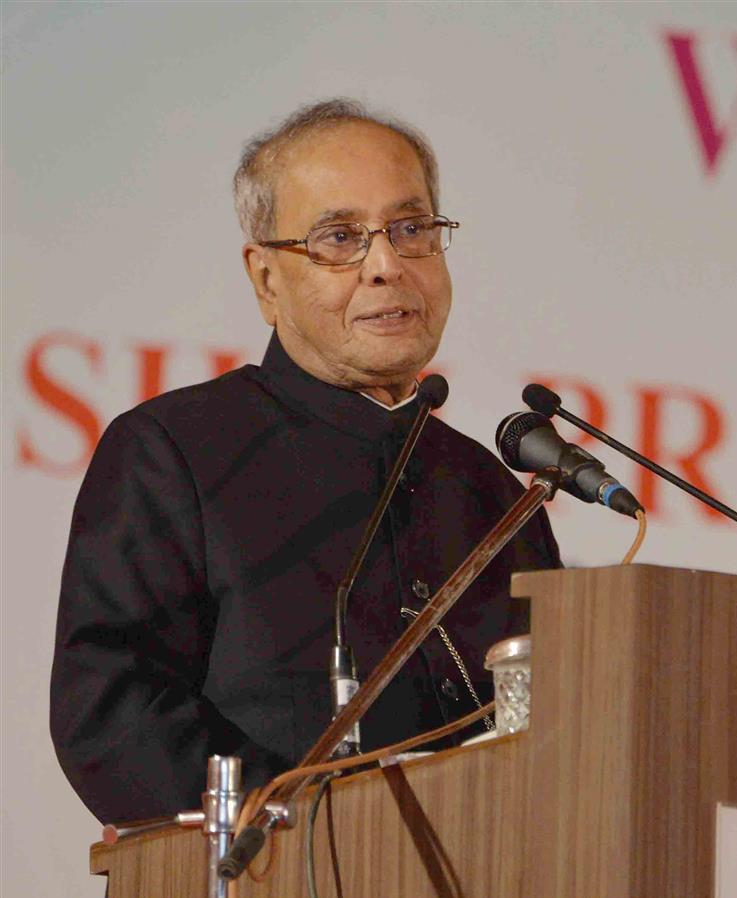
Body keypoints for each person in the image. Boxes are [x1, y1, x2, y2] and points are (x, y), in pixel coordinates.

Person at [49, 99, 560, 825]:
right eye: (339, 238)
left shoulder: (490, 491)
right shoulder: (176, 450)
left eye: (411, 229)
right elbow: (113, 714)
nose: (385, 266)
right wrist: (314, 822)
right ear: (265, 280)